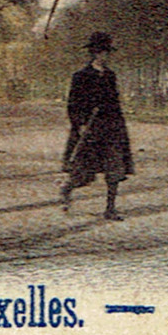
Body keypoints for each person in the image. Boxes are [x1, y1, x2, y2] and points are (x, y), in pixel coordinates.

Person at [59, 32, 133, 220]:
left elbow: (114, 101)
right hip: (90, 128)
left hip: (111, 127)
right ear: (94, 53)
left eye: (107, 52)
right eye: (101, 52)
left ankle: (110, 209)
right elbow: (73, 104)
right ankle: (67, 189)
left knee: (114, 169)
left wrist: (119, 124)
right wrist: (80, 124)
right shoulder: (81, 76)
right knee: (84, 173)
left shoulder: (110, 75)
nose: (104, 56)